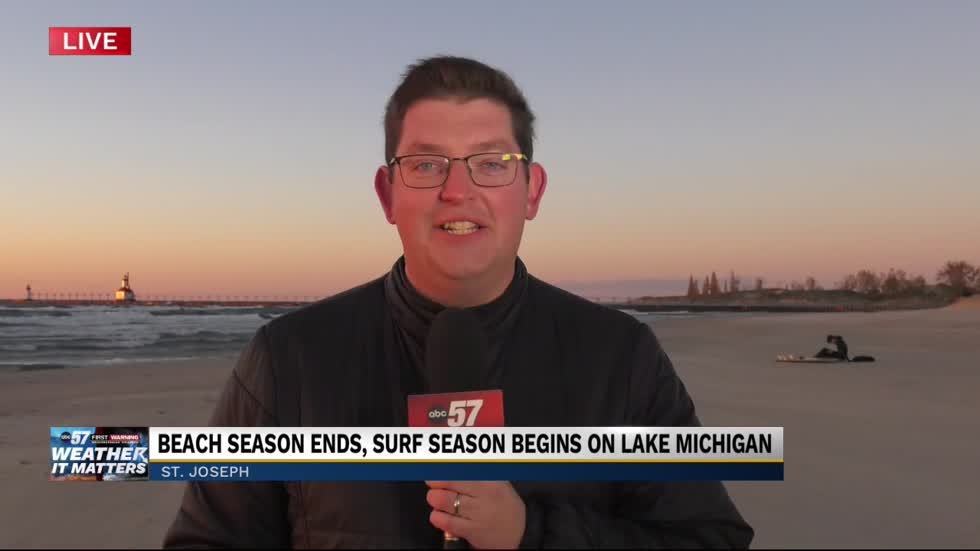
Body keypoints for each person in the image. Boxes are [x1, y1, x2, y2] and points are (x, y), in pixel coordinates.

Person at [162, 56, 754, 549]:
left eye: (492, 164)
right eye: (425, 165)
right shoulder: (288, 357)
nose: (457, 190)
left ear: (532, 192)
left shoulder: (622, 355)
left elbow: (708, 539)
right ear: (388, 194)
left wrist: (532, 533)